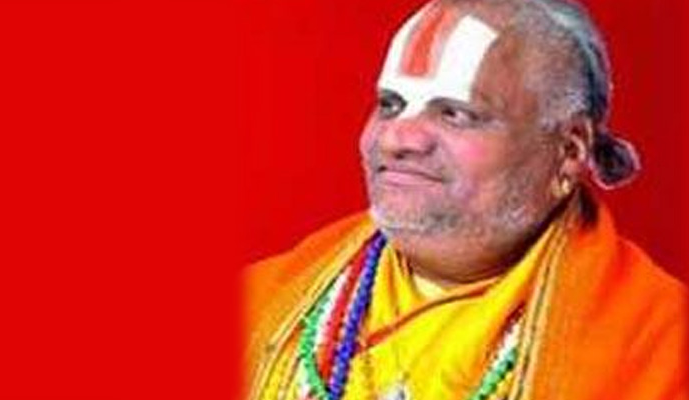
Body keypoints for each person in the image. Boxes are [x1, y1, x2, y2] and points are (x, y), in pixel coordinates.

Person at [244, 0, 688, 399]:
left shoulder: (661, 347)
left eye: (455, 113)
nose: (396, 139)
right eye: (391, 104)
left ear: (569, 152)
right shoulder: (260, 301)